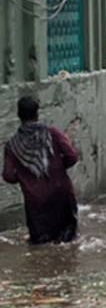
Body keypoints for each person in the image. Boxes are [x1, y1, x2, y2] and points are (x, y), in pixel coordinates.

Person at [3, 96, 80, 245]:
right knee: (69, 245)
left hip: (36, 204)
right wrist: (57, 168)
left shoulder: (12, 145)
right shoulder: (52, 133)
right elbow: (72, 156)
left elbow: (8, 176)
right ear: (37, 114)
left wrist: (25, 177)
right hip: (62, 196)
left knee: (41, 247)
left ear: (19, 116)